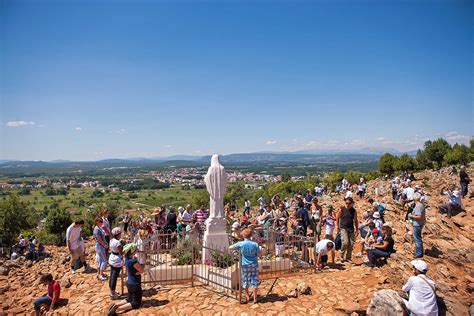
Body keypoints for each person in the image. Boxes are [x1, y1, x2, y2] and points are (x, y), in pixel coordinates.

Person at [108, 243, 144, 315]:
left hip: (129, 282)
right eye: (135, 249)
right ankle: (117, 309)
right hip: (135, 284)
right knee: (136, 303)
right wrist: (138, 266)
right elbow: (141, 270)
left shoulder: (127, 259)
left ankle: (116, 305)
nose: (136, 250)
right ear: (132, 251)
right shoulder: (133, 261)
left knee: (129, 299)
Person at [229, 228, 261, 304]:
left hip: (245, 265)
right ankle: (255, 298)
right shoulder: (255, 244)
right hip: (254, 265)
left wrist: (238, 250)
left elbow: (230, 247)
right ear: (250, 236)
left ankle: (247, 296)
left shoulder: (241, 244)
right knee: (254, 281)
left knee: (245, 280)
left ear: (243, 235)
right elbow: (259, 254)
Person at [336, 197, 358, 263]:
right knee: (345, 242)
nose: (347, 204)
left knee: (351, 243)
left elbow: (356, 220)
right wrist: (337, 227)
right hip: (343, 227)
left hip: (351, 228)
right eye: (346, 203)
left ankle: (348, 257)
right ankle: (341, 256)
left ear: (352, 203)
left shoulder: (354, 211)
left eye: (349, 203)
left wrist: (357, 229)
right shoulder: (342, 209)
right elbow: (337, 217)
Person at [408, 193, 425, 258]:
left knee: (417, 238)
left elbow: (419, 216)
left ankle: (419, 253)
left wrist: (411, 215)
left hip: (417, 224)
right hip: (420, 223)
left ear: (414, 198)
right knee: (418, 238)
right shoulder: (421, 204)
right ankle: (419, 252)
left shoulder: (418, 206)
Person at [109, 227, 124, 299]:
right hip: (116, 260)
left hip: (112, 258)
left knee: (112, 275)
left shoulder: (111, 240)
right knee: (114, 276)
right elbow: (121, 252)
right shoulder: (117, 243)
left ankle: (112, 291)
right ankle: (112, 293)